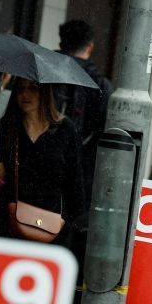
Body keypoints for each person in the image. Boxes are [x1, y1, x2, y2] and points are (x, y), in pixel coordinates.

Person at [0, 77, 85, 246]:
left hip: (52, 228)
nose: (25, 94)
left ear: (45, 92)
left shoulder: (65, 130)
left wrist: (73, 228)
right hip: (7, 226)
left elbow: (75, 187)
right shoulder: (6, 128)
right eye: (20, 88)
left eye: (32, 88)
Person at [52, 20, 114, 198]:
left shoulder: (44, 73)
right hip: (81, 172)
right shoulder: (101, 85)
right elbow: (105, 132)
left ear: (61, 44)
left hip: (39, 165)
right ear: (90, 47)